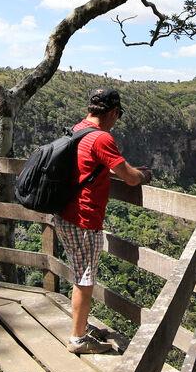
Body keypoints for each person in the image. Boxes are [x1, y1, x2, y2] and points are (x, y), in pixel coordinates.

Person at [54, 87, 152, 355]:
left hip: (63, 214)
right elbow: (130, 177)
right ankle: (77, 338)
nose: (116, 120)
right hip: (84, 219)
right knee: (84, 278)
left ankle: (81, 326)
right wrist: (144, 174)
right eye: (117, 114)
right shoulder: (101, 138)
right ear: (111, 112)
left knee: (79, 271)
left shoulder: (77, 130)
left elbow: (93, 164)